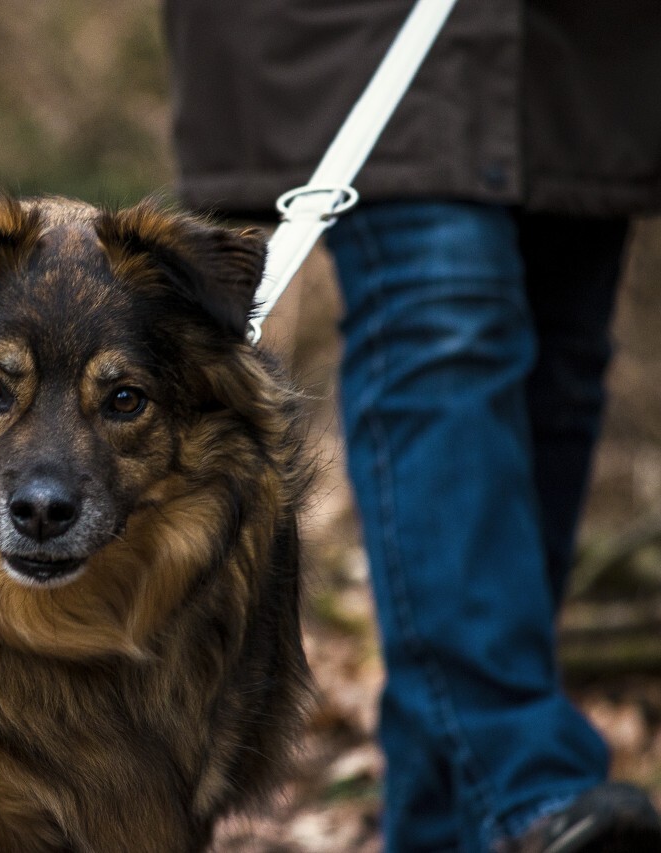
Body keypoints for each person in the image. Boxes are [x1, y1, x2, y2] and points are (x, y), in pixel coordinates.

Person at [163, 1, 661, 851]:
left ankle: (444, 826)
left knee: (557, 366)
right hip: (371, 28)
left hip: (580, 47)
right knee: (444, 320)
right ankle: (522, 777)